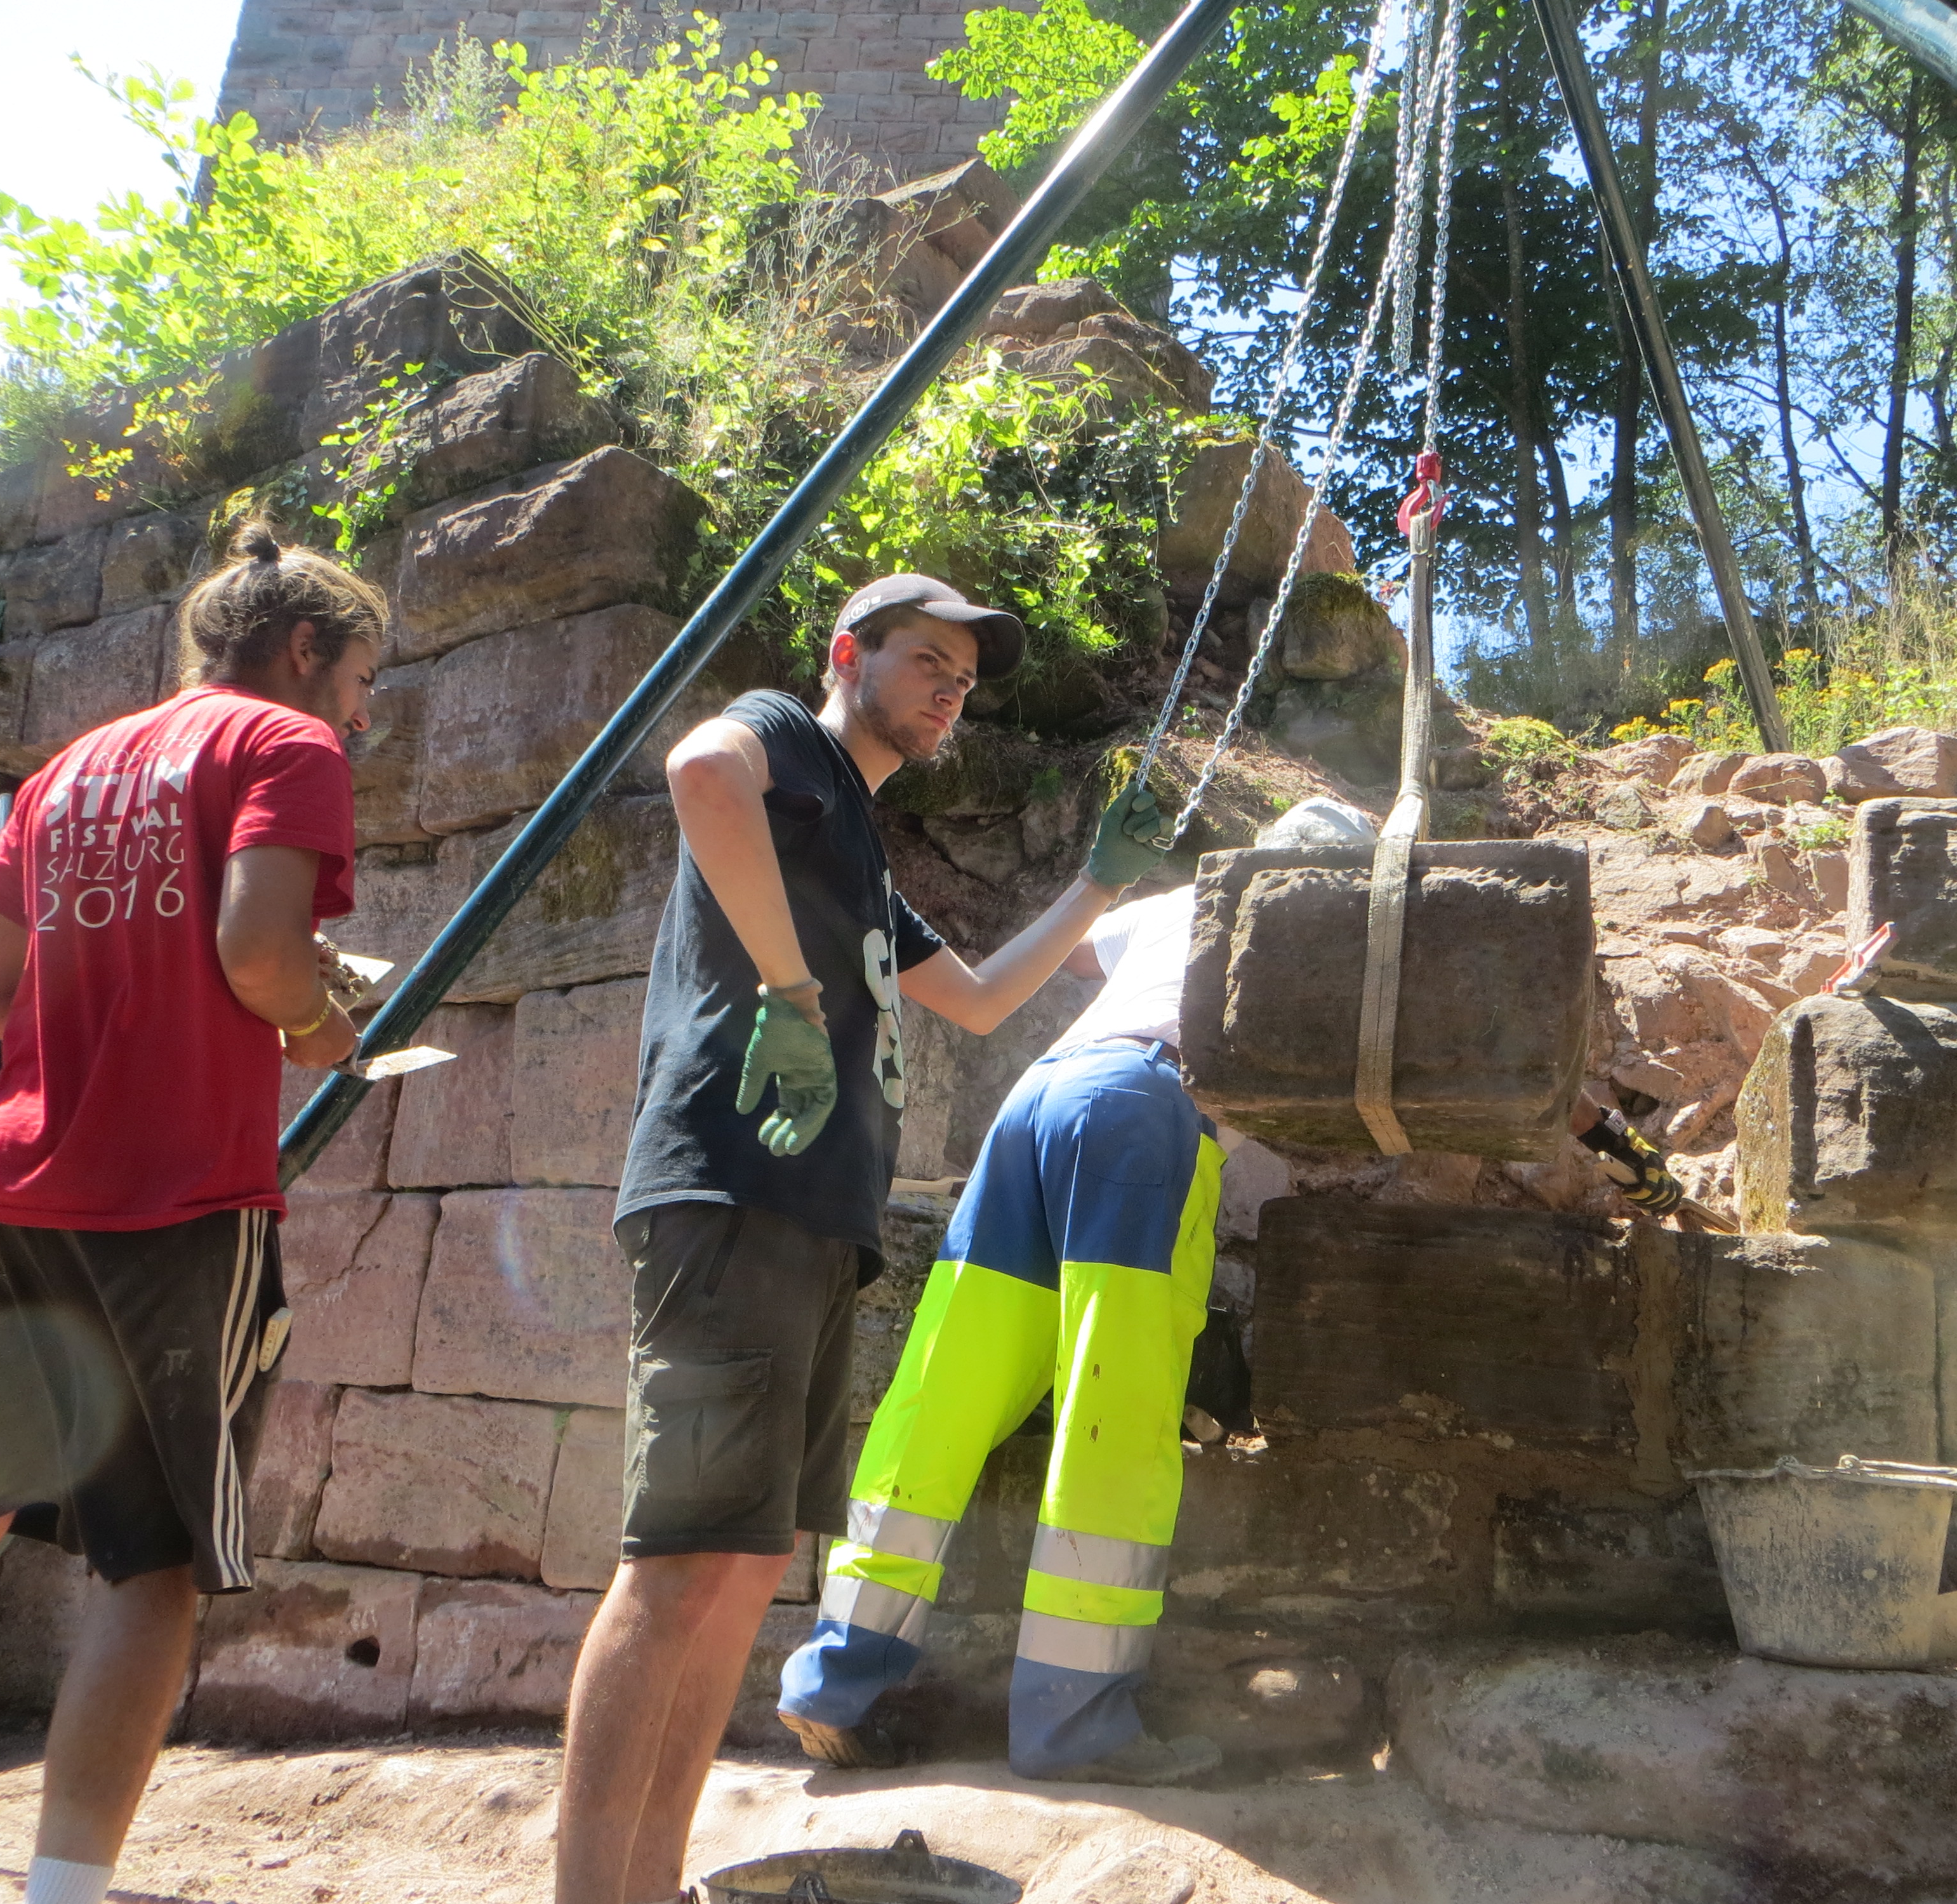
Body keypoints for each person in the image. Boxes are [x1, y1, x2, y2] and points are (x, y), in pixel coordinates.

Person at [777, 798, 1697, 1785]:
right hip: (1144, 1116)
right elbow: (1479, 1045)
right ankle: (1074, 1722)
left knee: (942, 1392)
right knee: (1114, 1412)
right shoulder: (1349, 933)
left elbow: (1074, 956)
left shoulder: (1197, 899)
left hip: (1039, 1101)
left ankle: (833, 1679)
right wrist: (1609, 1138)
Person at [554, 574, 1169, 1904]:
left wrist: (1095, 885)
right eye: (927, 661)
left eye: (965, 678)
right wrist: (786, 993)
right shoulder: (785, 737)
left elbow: (984, 998)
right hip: (730, 1191)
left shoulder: (860, 861)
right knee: (676, 1572)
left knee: (743, 1569)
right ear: (850, 654)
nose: (951, 690)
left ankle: (648, 1886)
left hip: (814, 1224)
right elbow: (698, 773)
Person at [0, 524, 377, 1904]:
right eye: (361, 678)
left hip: (19, 1189)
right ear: (304, 648)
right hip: (176, 1201)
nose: (361, 712)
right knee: (150, 1565)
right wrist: (319, 1024)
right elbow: (257, 954)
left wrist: (125, 990)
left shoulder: (68, 771)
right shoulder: (288, 747)